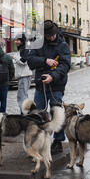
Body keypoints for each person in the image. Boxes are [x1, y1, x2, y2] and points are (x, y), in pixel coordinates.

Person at [27, 20, 71, 154]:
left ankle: (58, 140)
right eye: (49, 36)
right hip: (41, 84)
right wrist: (45, 61)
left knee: (56, 113)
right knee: (37, 112)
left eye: (53, 35)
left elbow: (65, 65)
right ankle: (38, 139)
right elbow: (31, 61)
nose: (51, 37)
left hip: (56, 85)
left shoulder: (63, 45)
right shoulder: (38, 44)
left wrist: (53, 76)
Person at [13, 33, 33, 114]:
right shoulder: (22, 48)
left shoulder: (24, 49)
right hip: (23, 76)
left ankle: (24, 113)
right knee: (23, 95)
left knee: (22, 96)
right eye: (16, 40)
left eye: (18, 40)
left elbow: (23, 61)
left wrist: (15, 57)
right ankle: (25, 112)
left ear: (22, 41)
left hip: (24, 76)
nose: (16, 42)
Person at [0, 41, 15, 113]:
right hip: (5, 82)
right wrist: (9, 79)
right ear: (0, 47)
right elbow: (12, 70)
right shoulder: (7, 57)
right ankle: (3, 114)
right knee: (4, 100)